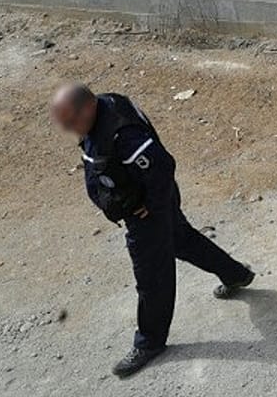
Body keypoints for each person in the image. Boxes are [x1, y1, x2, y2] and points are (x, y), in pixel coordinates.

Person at [48, 83, 256, 377]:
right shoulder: (104, 110)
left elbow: (162, 166)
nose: (70, 130)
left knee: (152, 277)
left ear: (90, 106)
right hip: (145, 202)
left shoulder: (123, 134)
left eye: (71, 121)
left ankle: (150, 342)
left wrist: (152, 206)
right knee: (180, 239)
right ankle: (236, 274)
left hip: (145, 213)